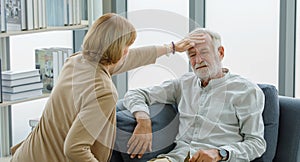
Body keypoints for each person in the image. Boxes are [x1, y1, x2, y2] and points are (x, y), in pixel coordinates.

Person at [10, 13, 199, 162]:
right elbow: (75, 148)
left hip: (28, 155)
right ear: (118, 49)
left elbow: (126, 59)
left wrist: (171, 47)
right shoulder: (104, 91)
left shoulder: (77, 61)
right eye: (127, 46)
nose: (128, 51)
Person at [122, 28, 267, 162]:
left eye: (204, 52)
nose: (198, 60)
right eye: (192, 55)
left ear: (220, 53)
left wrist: (220, 153)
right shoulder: (184, 84)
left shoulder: (246, 90)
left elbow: (256, 143)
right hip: (176, 158)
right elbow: (135, 94)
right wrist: (143, 120)